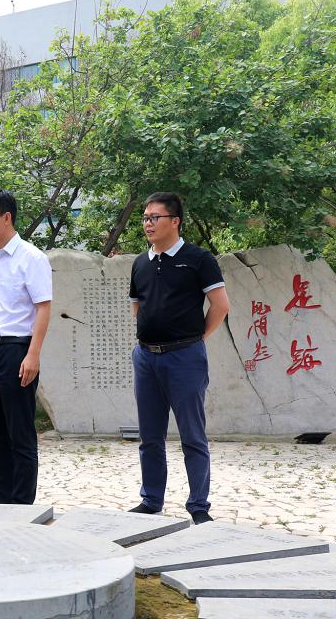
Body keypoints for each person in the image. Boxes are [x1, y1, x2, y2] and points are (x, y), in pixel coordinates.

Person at [128, 192, 230, 525]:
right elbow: (138, 307)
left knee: (192, 435)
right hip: (146, 358)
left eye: (154, 217)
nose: (148, 224)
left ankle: (199, 506)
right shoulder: (140, 263)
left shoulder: (198, 259)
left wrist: (195, 339)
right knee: (150, 436)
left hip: (185, 357)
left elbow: (220, 306)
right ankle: (151, 500)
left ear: (175, 221)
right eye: (145, 218)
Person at [0, 189, 52, 505]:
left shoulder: (32, 257)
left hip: (17, 351)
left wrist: (33, 355)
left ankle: (22, 506)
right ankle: (1, 500)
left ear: (6, 217)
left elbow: (43, 307)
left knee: (20, 434)